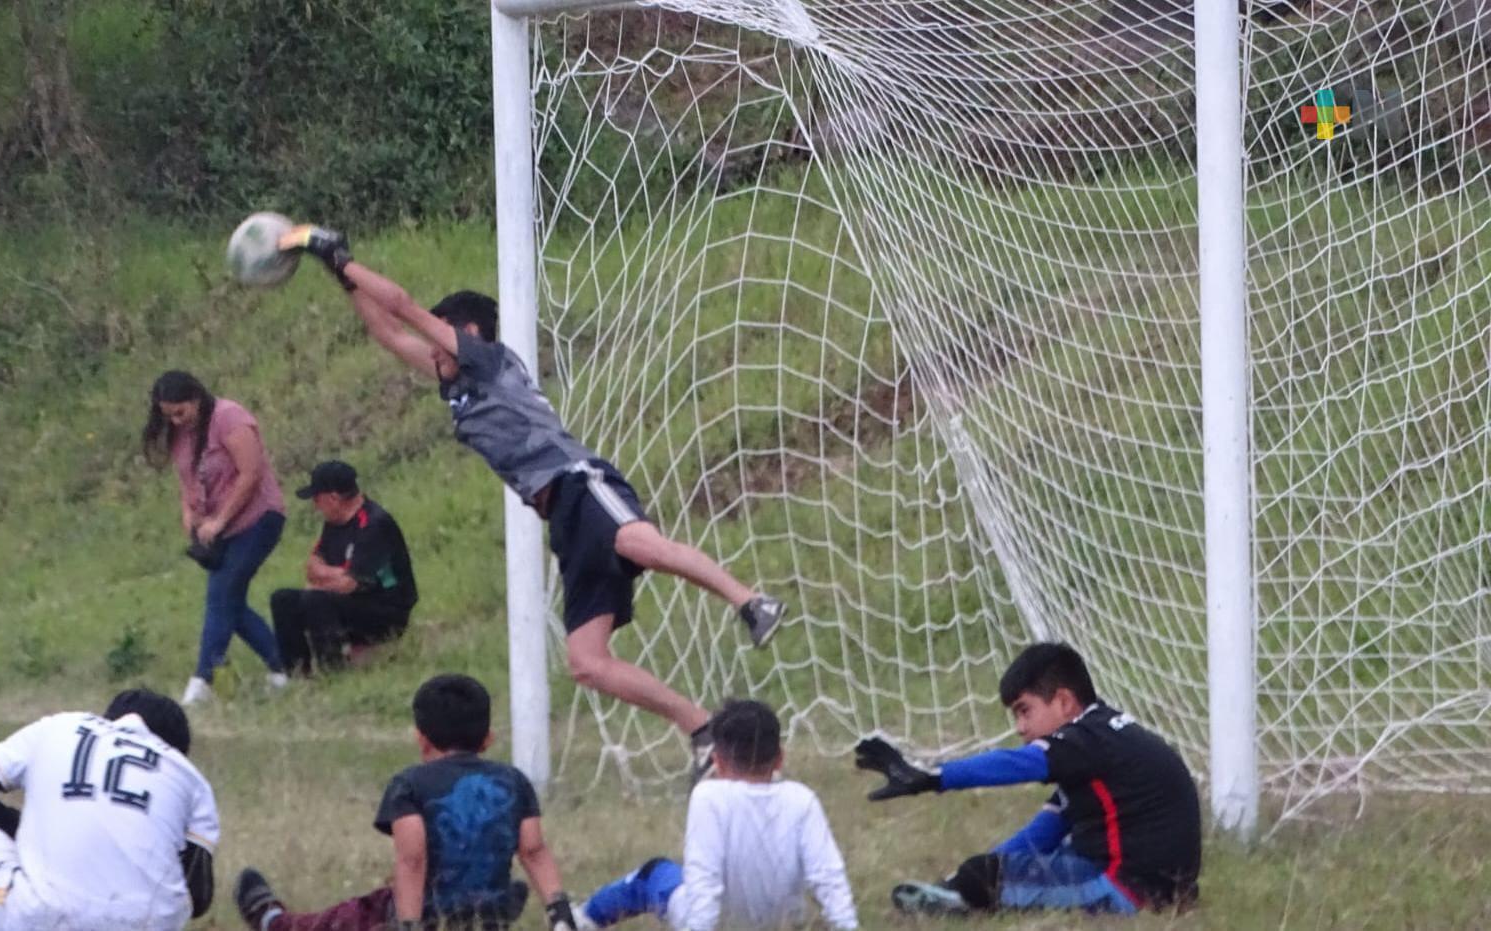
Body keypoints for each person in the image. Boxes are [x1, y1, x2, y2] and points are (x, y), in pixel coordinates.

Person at [277, 225, 787, 781]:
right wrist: (342, 279)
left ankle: (751, 601)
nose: (428, 352)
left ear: (465, 332)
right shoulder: (458, 383)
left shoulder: (489, 360)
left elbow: (400, 305)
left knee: (638, 541)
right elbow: (387, 332)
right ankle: (698, 727)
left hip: (577, 481)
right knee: (587, 664)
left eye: (439, 338)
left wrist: (337, 253)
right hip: (559, 517)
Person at [853, 642, 1201, 917]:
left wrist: (934, 776)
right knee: (1004, 865)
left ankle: (955, 903)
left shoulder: (1085, 740)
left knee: (984, 878)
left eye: (1024, 710)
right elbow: (1043, 833)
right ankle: (955, 891)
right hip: (1162, 887)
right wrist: (967, 876)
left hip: (1126, 891)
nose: (1020, 727)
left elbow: (1019, 763)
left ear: (1064, 701)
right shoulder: (1101, 740)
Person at [233, 674, 579, 931]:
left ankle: (275, 923)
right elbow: (533, 849)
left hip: (426, 911)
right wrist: (558, 909)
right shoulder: (514, 782)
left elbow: (413, 858)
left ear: (421, 739)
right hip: (491, 914)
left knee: (361, 912)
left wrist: (409, 923)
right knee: (497, 891)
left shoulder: (410, 784)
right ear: (488, 739)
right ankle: (495, 905)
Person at [0, 689, 217, 931]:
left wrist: (35, 836)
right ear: (177, 751)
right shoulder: (191, 779)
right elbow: (198, 897)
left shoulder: (63, 727)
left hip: (41, 919)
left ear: (108, 719)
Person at [573, 699, 858, 931]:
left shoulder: (709, 797)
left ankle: (580, 919)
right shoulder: (802, 799)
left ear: (717, 761)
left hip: (719, 923)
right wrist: (847, 925)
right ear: (780, 758)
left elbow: (704, 878)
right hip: (785, 923)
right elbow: (829, 877)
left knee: (653, 875)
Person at [144, 370, 289, 705]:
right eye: (168, 415)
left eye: (180, 412)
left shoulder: (229, 418)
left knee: (221, 595)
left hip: (258, 518)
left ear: (196, 399)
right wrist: (189, 514)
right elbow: (187, 479)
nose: (176, 421)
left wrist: (221, 519)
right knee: (230, 603)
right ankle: (281, 668)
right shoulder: (180, 434)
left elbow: (251, 473)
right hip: (217, 529)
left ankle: (202, 680)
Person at [270, 460, 418, 674]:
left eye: (317, 499)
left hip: (385, 610)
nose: (315, 506)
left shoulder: (374, 524)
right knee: (282, 599)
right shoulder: (334, 523)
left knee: (315, 599)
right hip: (350, 601)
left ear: (333, 498)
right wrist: (335, 575)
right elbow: (312, 566)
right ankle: (296, 672)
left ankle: (333, 669)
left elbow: (350, 584)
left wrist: (326, 579)